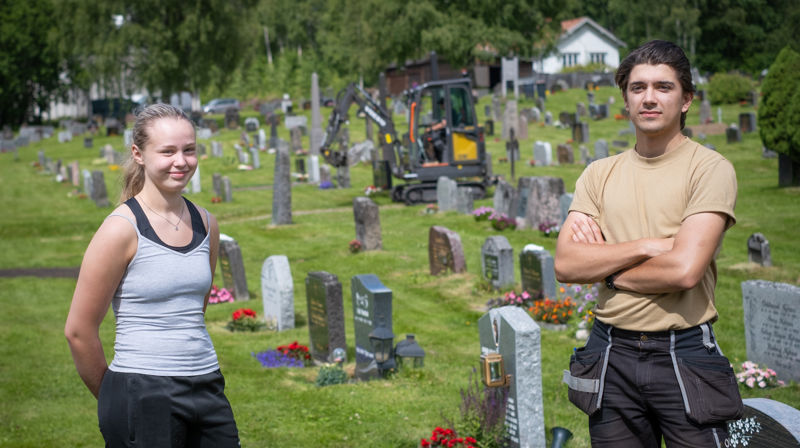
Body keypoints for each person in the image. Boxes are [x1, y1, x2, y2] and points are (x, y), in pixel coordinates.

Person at [556, 40, 742, 447]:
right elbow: (567, 264)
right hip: (610, 350)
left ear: (686, 99)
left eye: (663, 87)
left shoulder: (709, 169)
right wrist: (646, 246)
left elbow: (683, 271)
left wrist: (606, 272)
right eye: (638, 88)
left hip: (684, 352)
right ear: (626, 100)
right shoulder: (598, 174)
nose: (650, 98)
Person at [65, 103, 240, 447]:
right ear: (138, 154)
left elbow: (195, 312)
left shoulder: (207, 224)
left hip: (207, 385)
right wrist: (117, 398)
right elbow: (78, 332)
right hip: (142, 390)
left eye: (189, 150)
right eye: (168, 151)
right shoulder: (120, 229)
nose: (181, 161)